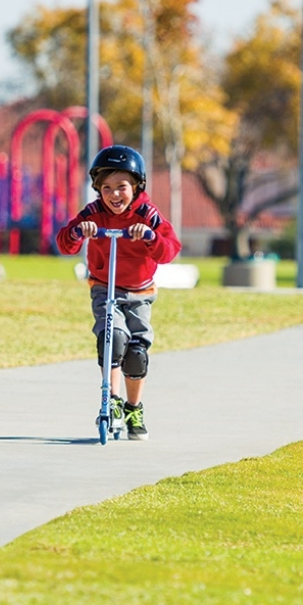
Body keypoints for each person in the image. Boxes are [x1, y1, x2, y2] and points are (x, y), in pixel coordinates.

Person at [55, 145, 182, 441]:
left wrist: (150, 237)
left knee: (136, 353)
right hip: (105, 288)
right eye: (106, 188)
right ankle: (110, 400)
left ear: (136, 187)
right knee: (113, 339)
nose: (114, 195)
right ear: (98, 189)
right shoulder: (94, 213)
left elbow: (169, 250)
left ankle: (133, 408)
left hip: (140, 292)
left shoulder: (148, 215)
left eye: (121, 187)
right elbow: (64, 243)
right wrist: (77, 232)